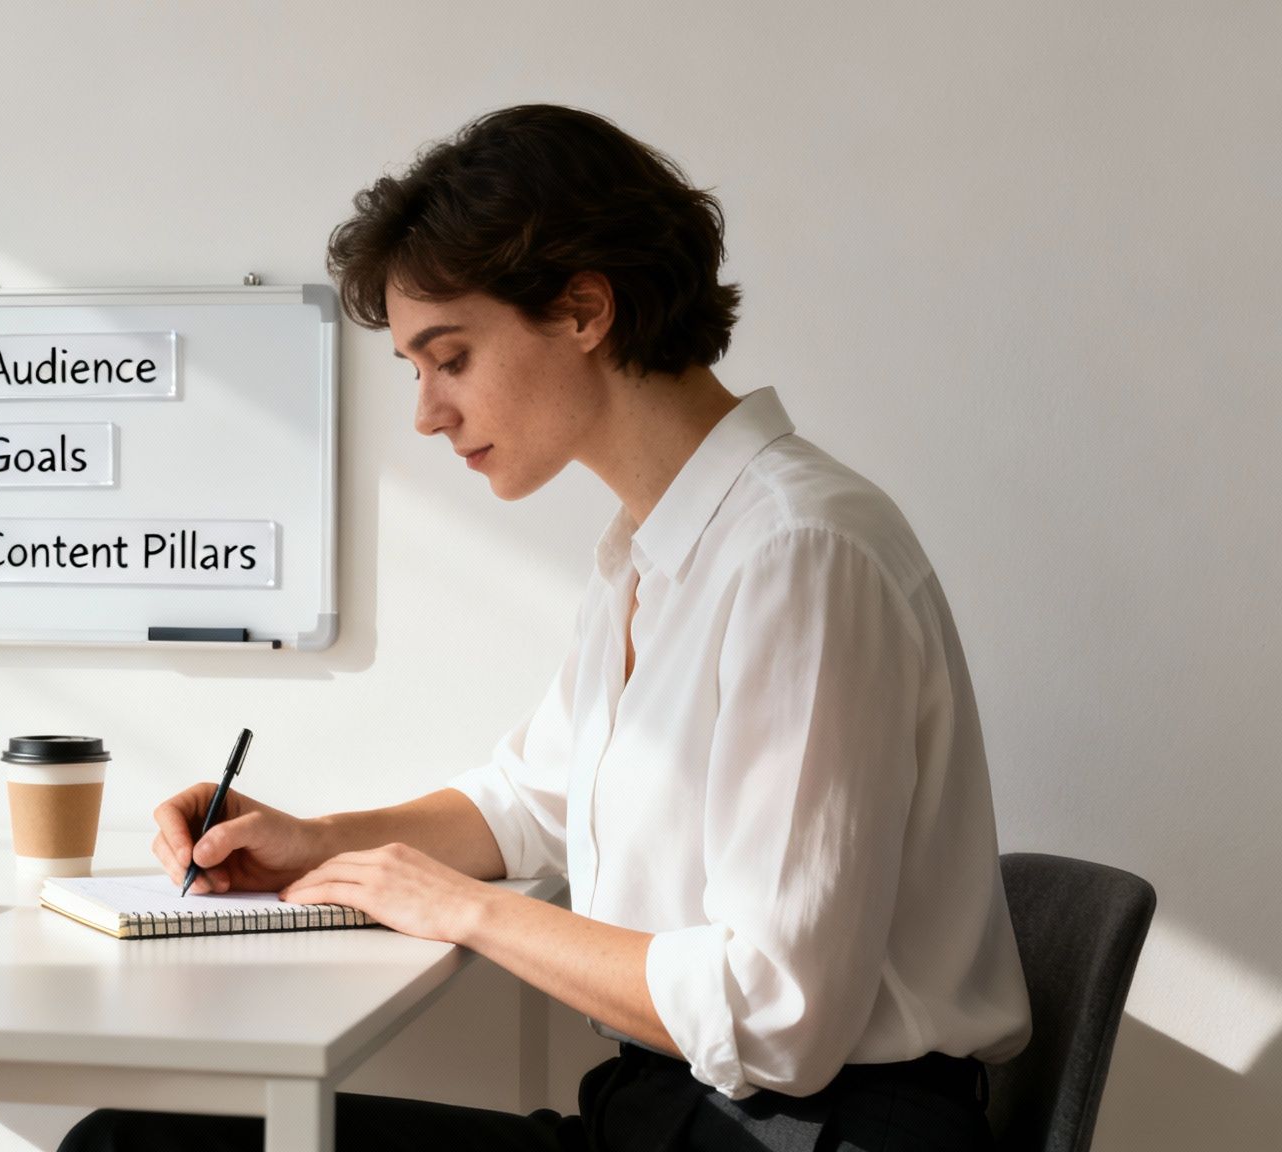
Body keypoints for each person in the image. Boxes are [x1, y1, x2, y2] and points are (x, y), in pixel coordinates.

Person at [61, 104, 1031, 1152]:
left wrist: (465, 911)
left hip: (803, 1134)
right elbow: (529, 804)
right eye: (414, 369)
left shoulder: (798, 553)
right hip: (682, 1120)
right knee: (139, 1139)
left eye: (450, 357)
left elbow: (773, 1011)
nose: (427, 411)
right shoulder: (646, 551)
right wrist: (317, 844)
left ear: (581, 310)